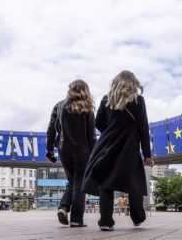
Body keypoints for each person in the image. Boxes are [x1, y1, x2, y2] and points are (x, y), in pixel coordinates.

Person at [82, 70, 153, 231]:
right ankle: (137, 217)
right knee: (133, 182)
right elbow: (143, 128)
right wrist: (147, 154)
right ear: (133, 83)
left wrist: (113, 130)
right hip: (129, 147)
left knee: (106, 183)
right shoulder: (138, 100)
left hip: (106, 146)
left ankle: (106, 221)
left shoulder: (107, 99)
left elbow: (99, 123)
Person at [47, 79, 96, 227]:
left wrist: (49, 150)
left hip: (63, 149)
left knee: (72, 180)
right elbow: (91, 135)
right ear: (85, 91)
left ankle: (63, 207)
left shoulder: (59, 105)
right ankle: (76, 219)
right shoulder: (87, 108)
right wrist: (94, 155)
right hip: (83, 151)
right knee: (80, 182)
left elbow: (51, 130)